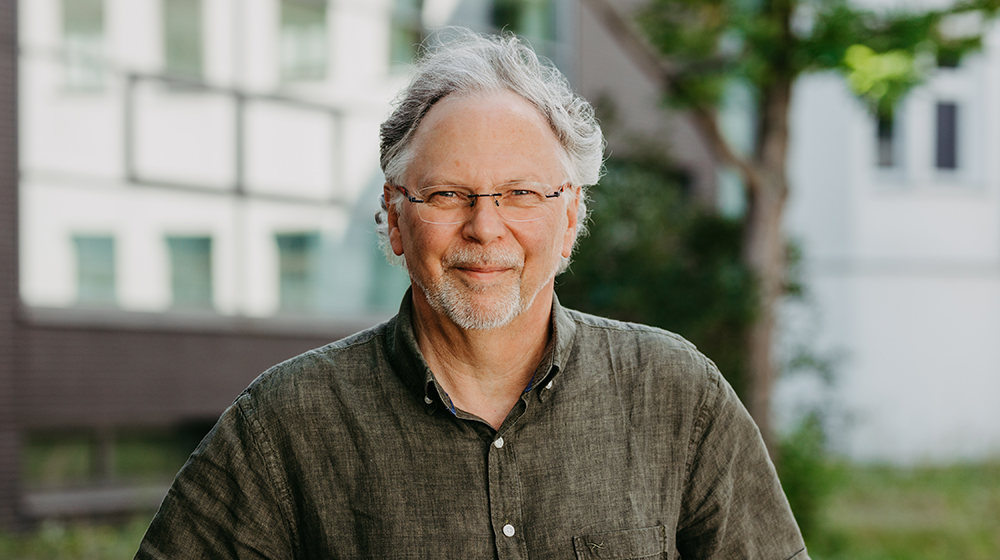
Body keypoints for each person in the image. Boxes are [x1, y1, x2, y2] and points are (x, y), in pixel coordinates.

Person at [136, 30, 808, 559]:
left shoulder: (675, 396)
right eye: (447, 194)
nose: (485, 228)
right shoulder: (285, 426)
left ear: (570, 219)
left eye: (521, 193)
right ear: (395, 219)